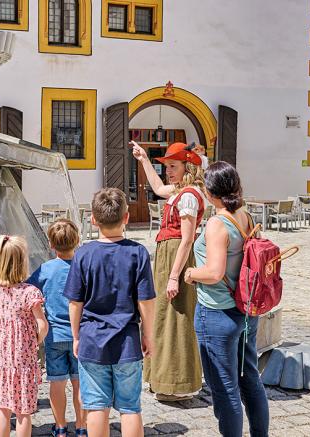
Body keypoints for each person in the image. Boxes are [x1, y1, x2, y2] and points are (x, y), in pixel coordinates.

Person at [183, 162, 269, 437]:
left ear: (210, 192)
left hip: (217, 313)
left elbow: (214, 271)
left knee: (224, 388)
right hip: (246, 310)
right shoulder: (246, 216)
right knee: (250, 380)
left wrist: (190, 273)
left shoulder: (217, 224)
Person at [64, 188, 157, 437]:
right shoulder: (138, 253)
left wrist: (75, 336)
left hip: (92, 340)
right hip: (127, 341)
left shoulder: (83, 254)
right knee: (130, 408)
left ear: (93, 219)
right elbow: (146, 301)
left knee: (96, 407)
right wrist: (148, 335)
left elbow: (75, 303)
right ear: (126, 218)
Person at [131, 141, 205, 401]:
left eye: (173, 166)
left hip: (177, 256)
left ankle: (176, 382)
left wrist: (174, 276)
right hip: (167, 254)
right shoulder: (179, 190)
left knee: (175, 317)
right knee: (163, 314)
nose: (169, 171)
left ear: (187, 167)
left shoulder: (188, 195)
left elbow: (186, 239)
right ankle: (160, 377)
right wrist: (143, 160)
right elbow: (158, 188)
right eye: (168, 167)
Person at [26, 219, 87, 437]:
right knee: (80, 384)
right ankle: (82, 427)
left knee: (57, 382)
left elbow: (27, 290)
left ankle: (60, 427)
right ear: (77, 241)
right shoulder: (83, 268)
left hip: (54, 336)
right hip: (80, 335)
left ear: (51, 244)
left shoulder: (45, 270)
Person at [0, 235, 48, 437]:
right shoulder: (29, 293)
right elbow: (42, 324)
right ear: (22, 263)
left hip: (2, 359)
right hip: (24, 360)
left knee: (3, 409)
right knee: (24, 412)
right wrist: (37, 340)